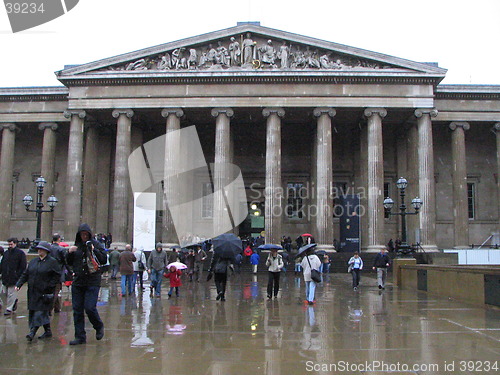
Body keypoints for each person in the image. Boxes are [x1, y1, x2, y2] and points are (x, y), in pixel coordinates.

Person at [66, 223, 107, 345]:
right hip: (78, 281)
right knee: (77, 310)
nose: (84, 236)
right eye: (82, 234)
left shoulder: (96, 244)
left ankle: (98, 325)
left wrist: (94, 251)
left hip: (92, 281)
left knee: (89, 307)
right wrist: (69, 252)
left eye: (86, 234)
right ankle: (80, 336)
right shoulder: (77, 246)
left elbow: (103, 259)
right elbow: (69, 262)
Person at [15, 241, 61, 341]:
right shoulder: (34, 261)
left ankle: (32, 332)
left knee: (39, 313)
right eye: (38, 249)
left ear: (46, 251)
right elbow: (26, 274)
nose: (39, 250)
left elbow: (57, 276)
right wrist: (19, 284)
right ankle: (48, 331)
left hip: (44, 293)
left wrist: (50, 286)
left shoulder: (52, 262)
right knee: (36, 312)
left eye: (41, 249)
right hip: (33, 292)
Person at [0, 237, 26, 316]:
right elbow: (2, 264)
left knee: (11, 294)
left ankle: (9, 308)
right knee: (3, 294)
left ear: (15, 244)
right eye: (9, 244)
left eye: (11, 244)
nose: (10, 246)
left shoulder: (20, 253)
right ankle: (12, 303)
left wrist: (18, 275)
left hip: (14, 278)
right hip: (5, 277)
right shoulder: (6, 253)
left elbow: (23, 266)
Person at [49, 233, 67, 314]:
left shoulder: (48, 248)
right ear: (59, 239)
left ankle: (57, 308)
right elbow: (66, 262)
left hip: (49, 272)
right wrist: (71, 272)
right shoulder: (61, 250)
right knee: (56, 291)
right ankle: (50, 309)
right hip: (58, 273)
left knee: (56, 290)